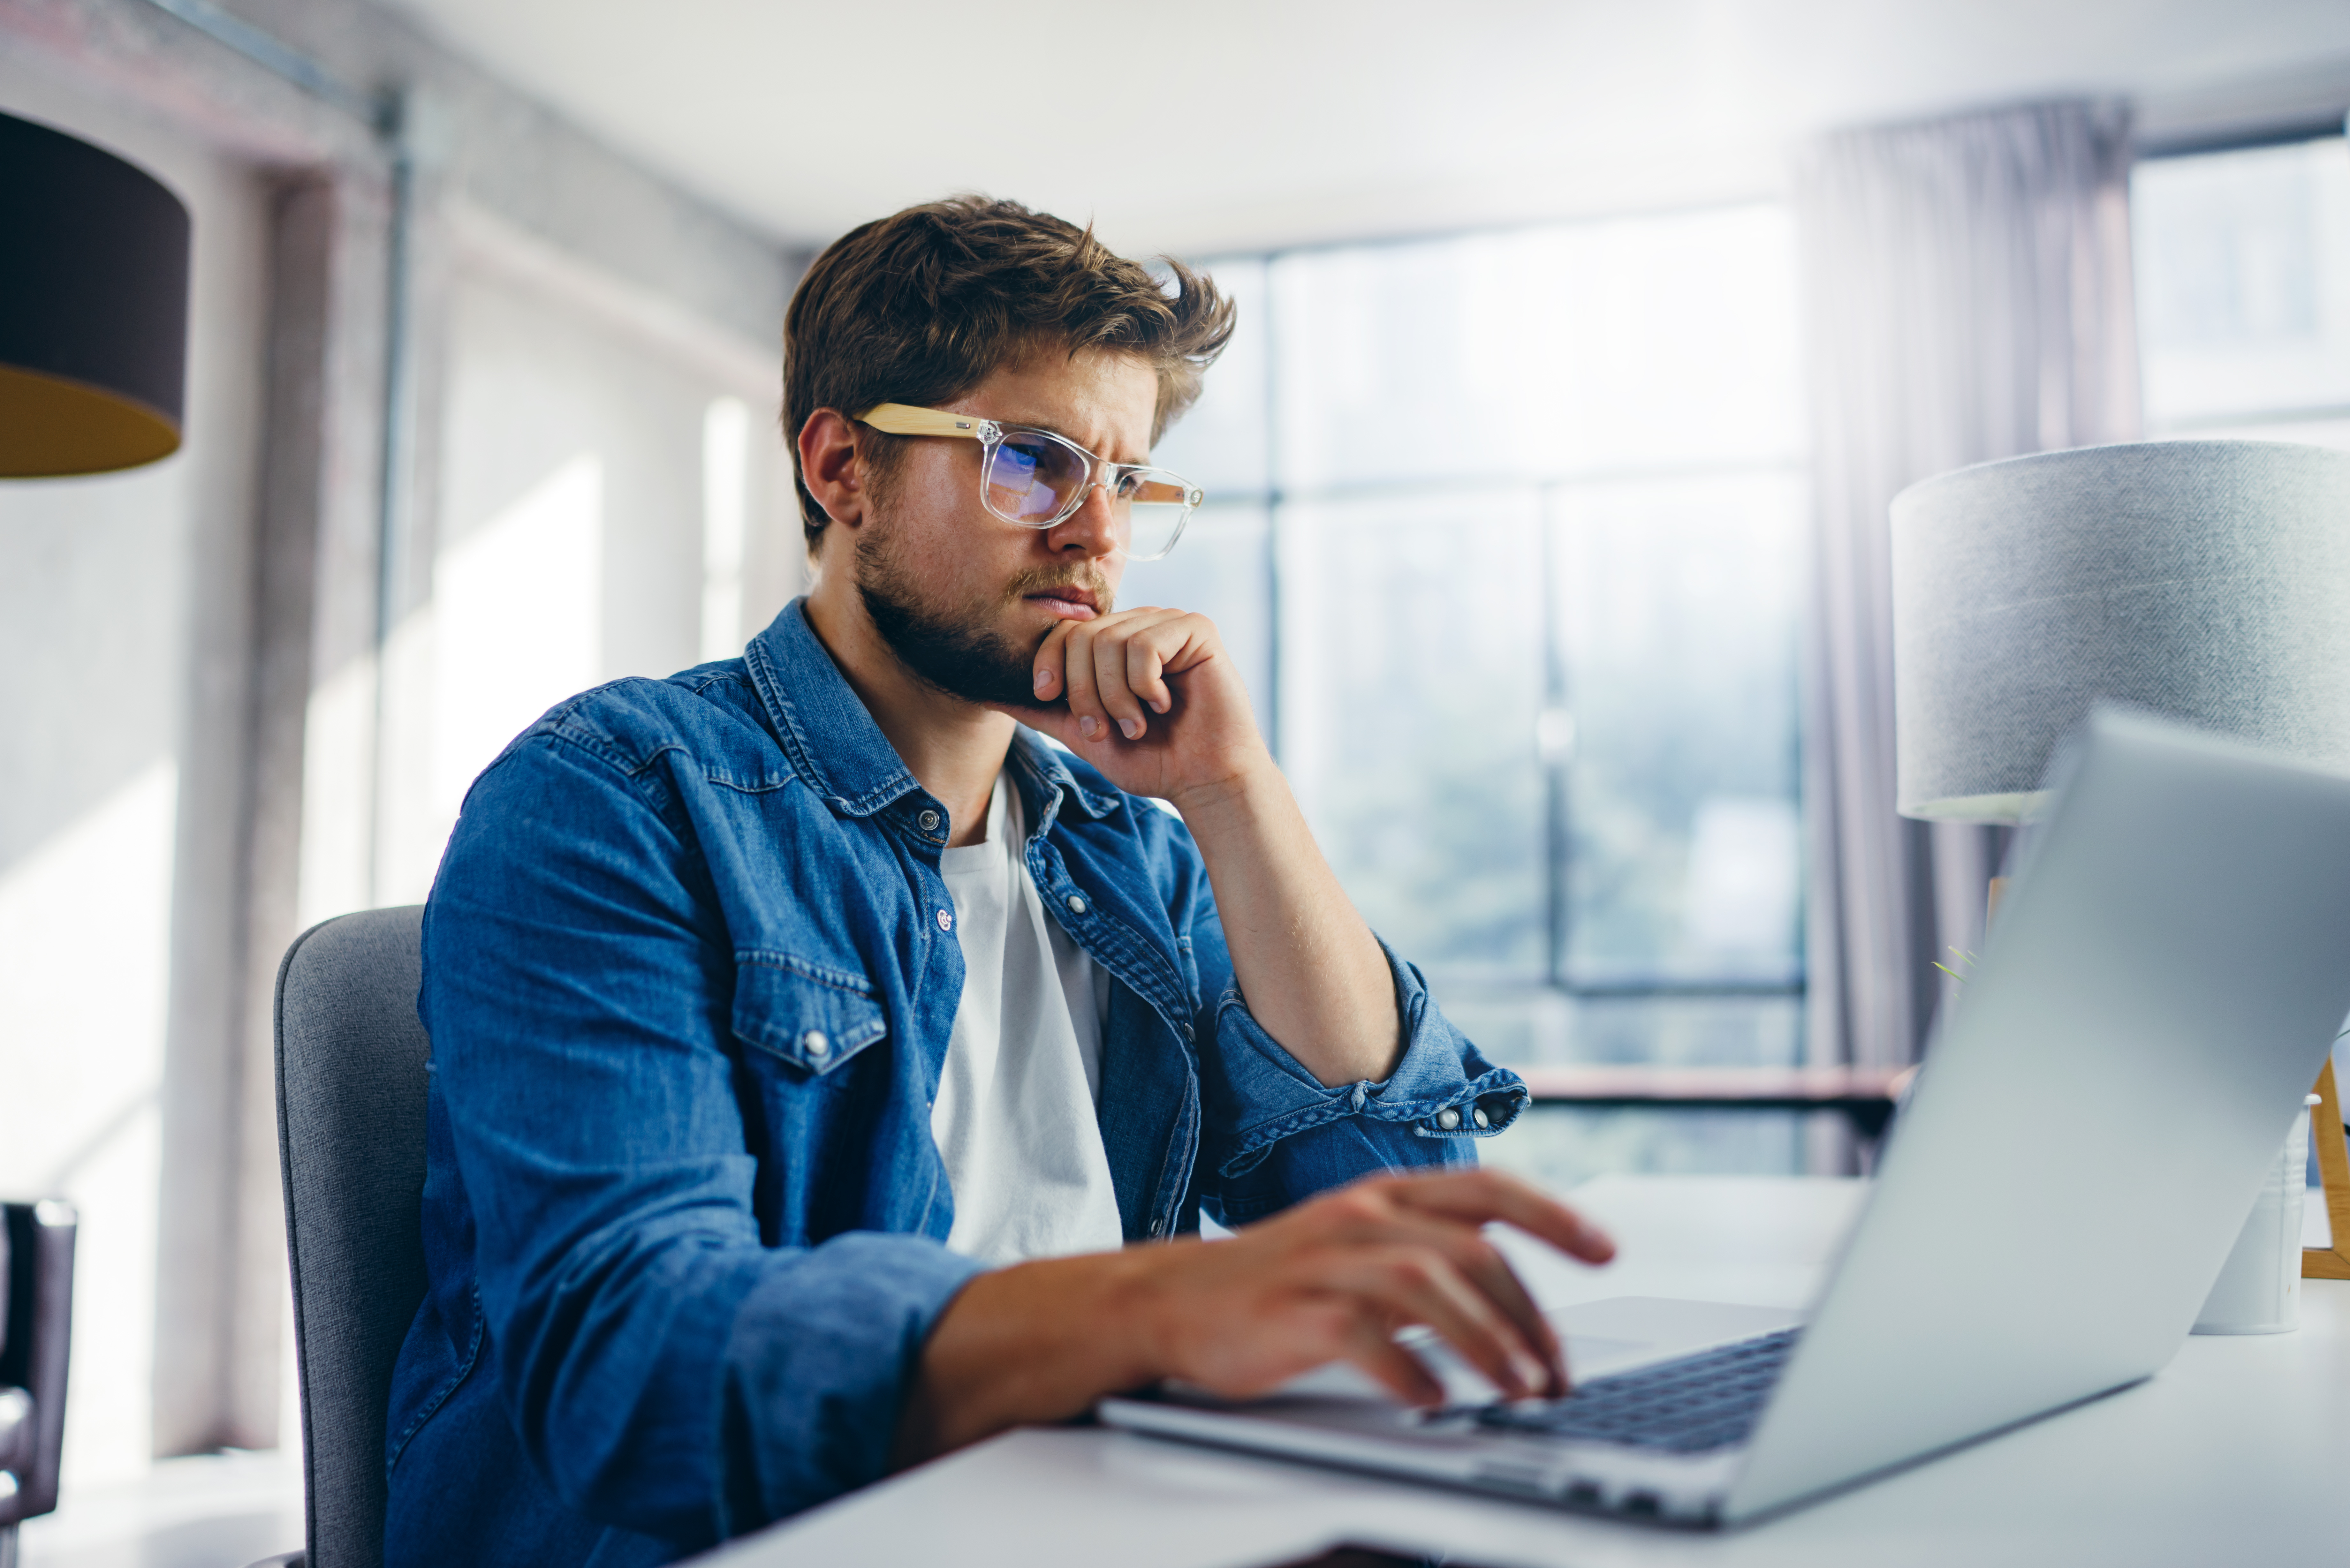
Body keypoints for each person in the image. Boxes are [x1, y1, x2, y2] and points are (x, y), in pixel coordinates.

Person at [385, 196, 1616, 1567]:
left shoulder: (1127, 842)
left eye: (1126, 481)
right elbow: (633, 1370)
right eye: (1030, 463)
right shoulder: (612, 799)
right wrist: (1151, 1307)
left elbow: (1386, 1197)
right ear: (843, 468)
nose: (1098, 534)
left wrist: (1235, 792)